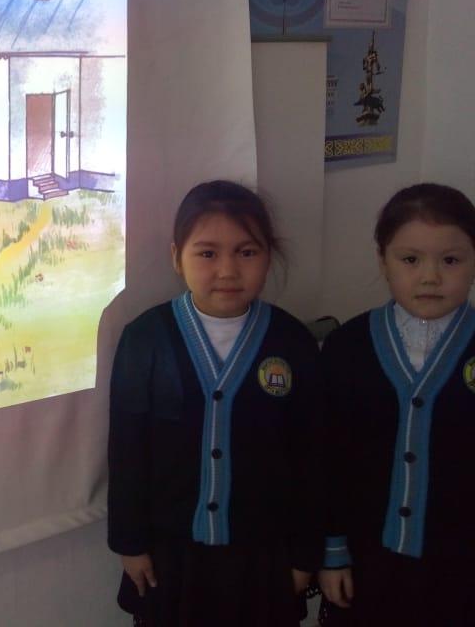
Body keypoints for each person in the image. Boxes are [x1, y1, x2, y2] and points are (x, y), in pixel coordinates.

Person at [107, 180, 323, 626]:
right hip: (171, 553)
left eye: (246, 252)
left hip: (263, 554)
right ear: (177, 257)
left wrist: (305, 554)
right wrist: (130, 543)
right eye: (207, 253)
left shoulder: (292, 341)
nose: (227, 270)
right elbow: (127, 450)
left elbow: (310, 459)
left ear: (268, 256)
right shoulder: (145, 339)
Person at [318, 184, 475, 626]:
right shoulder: (348, 347)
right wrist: (332, 551)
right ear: (382, 261)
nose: (430, 277)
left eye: (451, 260)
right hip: (366, 564)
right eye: (410, 260)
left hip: (461, 570)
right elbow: (327, 459)